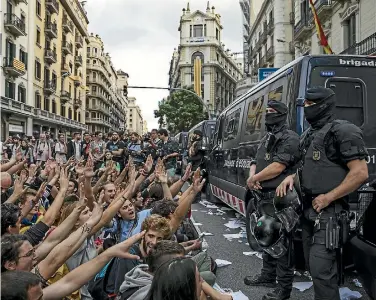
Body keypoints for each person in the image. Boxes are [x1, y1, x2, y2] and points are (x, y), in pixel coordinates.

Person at [276, 87, 369, 300]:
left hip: (330, 214)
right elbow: (308, 167)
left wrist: (329, 196)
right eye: (305, 105)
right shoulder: (309, 135)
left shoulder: (343, 131)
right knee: (313, 268)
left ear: (325, 105)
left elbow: (360, 173)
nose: (307, 109)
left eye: (311, 105)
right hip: (308, 212)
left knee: (321, 269)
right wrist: (292, 177)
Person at [244, 100, 300, 300]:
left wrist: (255, 179)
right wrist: (253, 176)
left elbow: (278, 167)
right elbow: (254, 160)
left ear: (282, 114)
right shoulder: (266, 137)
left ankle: (283, 288)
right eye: (266, 111)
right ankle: (268, 276)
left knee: (282, 244)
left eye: (272, 112)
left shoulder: (290, 138)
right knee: (265, 237)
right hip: (263, 197)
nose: (268, 115)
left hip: (280, 199)